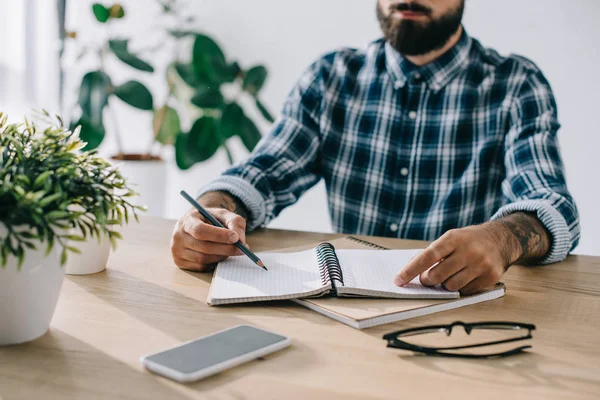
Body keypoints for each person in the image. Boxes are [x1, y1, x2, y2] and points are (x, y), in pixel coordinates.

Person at [171, 0, 580, 295]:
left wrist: (501, 239)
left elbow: (551, 203)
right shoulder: (332, 77)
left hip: (463, 318)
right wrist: (211, 211)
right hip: (346, 320)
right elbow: (262, 172)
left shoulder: (515, 84)